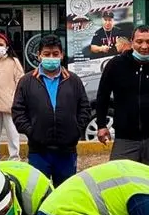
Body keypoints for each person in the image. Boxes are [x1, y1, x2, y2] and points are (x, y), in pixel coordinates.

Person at [95, 26, 149, 170]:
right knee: (121, 181)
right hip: (125, 136)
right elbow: (102, 96)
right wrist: (101, 125)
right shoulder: (115, 65)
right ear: (131, 42)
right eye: (139, 41)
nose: (144, 46)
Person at [12, 35, 91, 188]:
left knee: (65, 193)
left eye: (55, 54)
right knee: (38, 193)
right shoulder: (27, 81)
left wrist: (76, 130)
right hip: (38, 151)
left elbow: (85, 108)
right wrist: (31, 131)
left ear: (61, 55)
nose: (51, 57)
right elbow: (18, 111)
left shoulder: (73, 80)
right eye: (47, 54)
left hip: (67, 151)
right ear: (39, 55)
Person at [0, 33, 25, 162]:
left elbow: (21, 82)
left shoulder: (13, 62)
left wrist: (17, 101)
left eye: (0, 44)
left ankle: (14, 158)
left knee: (13, 134)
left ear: (7, 47)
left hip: (10, 105)